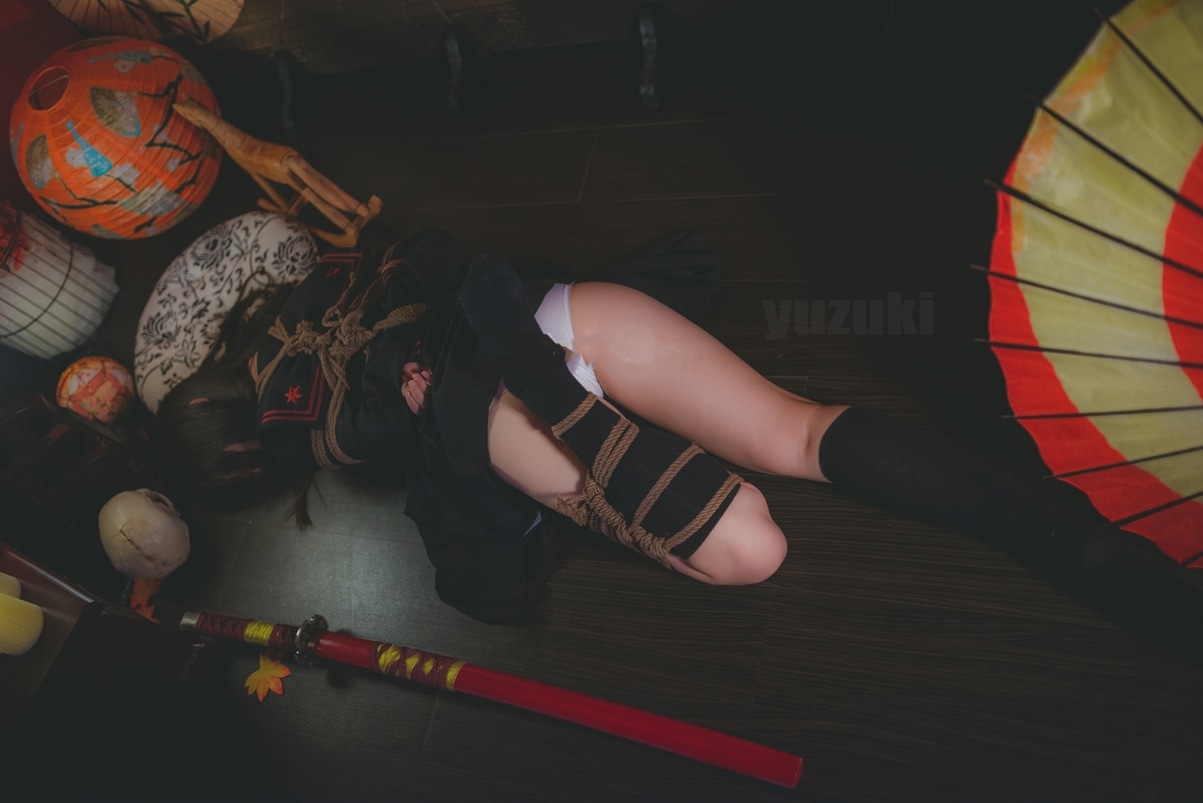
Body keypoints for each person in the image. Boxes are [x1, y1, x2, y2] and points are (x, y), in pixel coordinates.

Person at [156, 228, 1203, 664]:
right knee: (798, 427)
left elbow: (414, 468)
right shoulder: (319, 276)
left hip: (490, 409)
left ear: (231, 452)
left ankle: (552, 394)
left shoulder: (298, 438)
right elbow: (417, 254)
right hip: (546, 310)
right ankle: (1067, 541)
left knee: (752, 548)